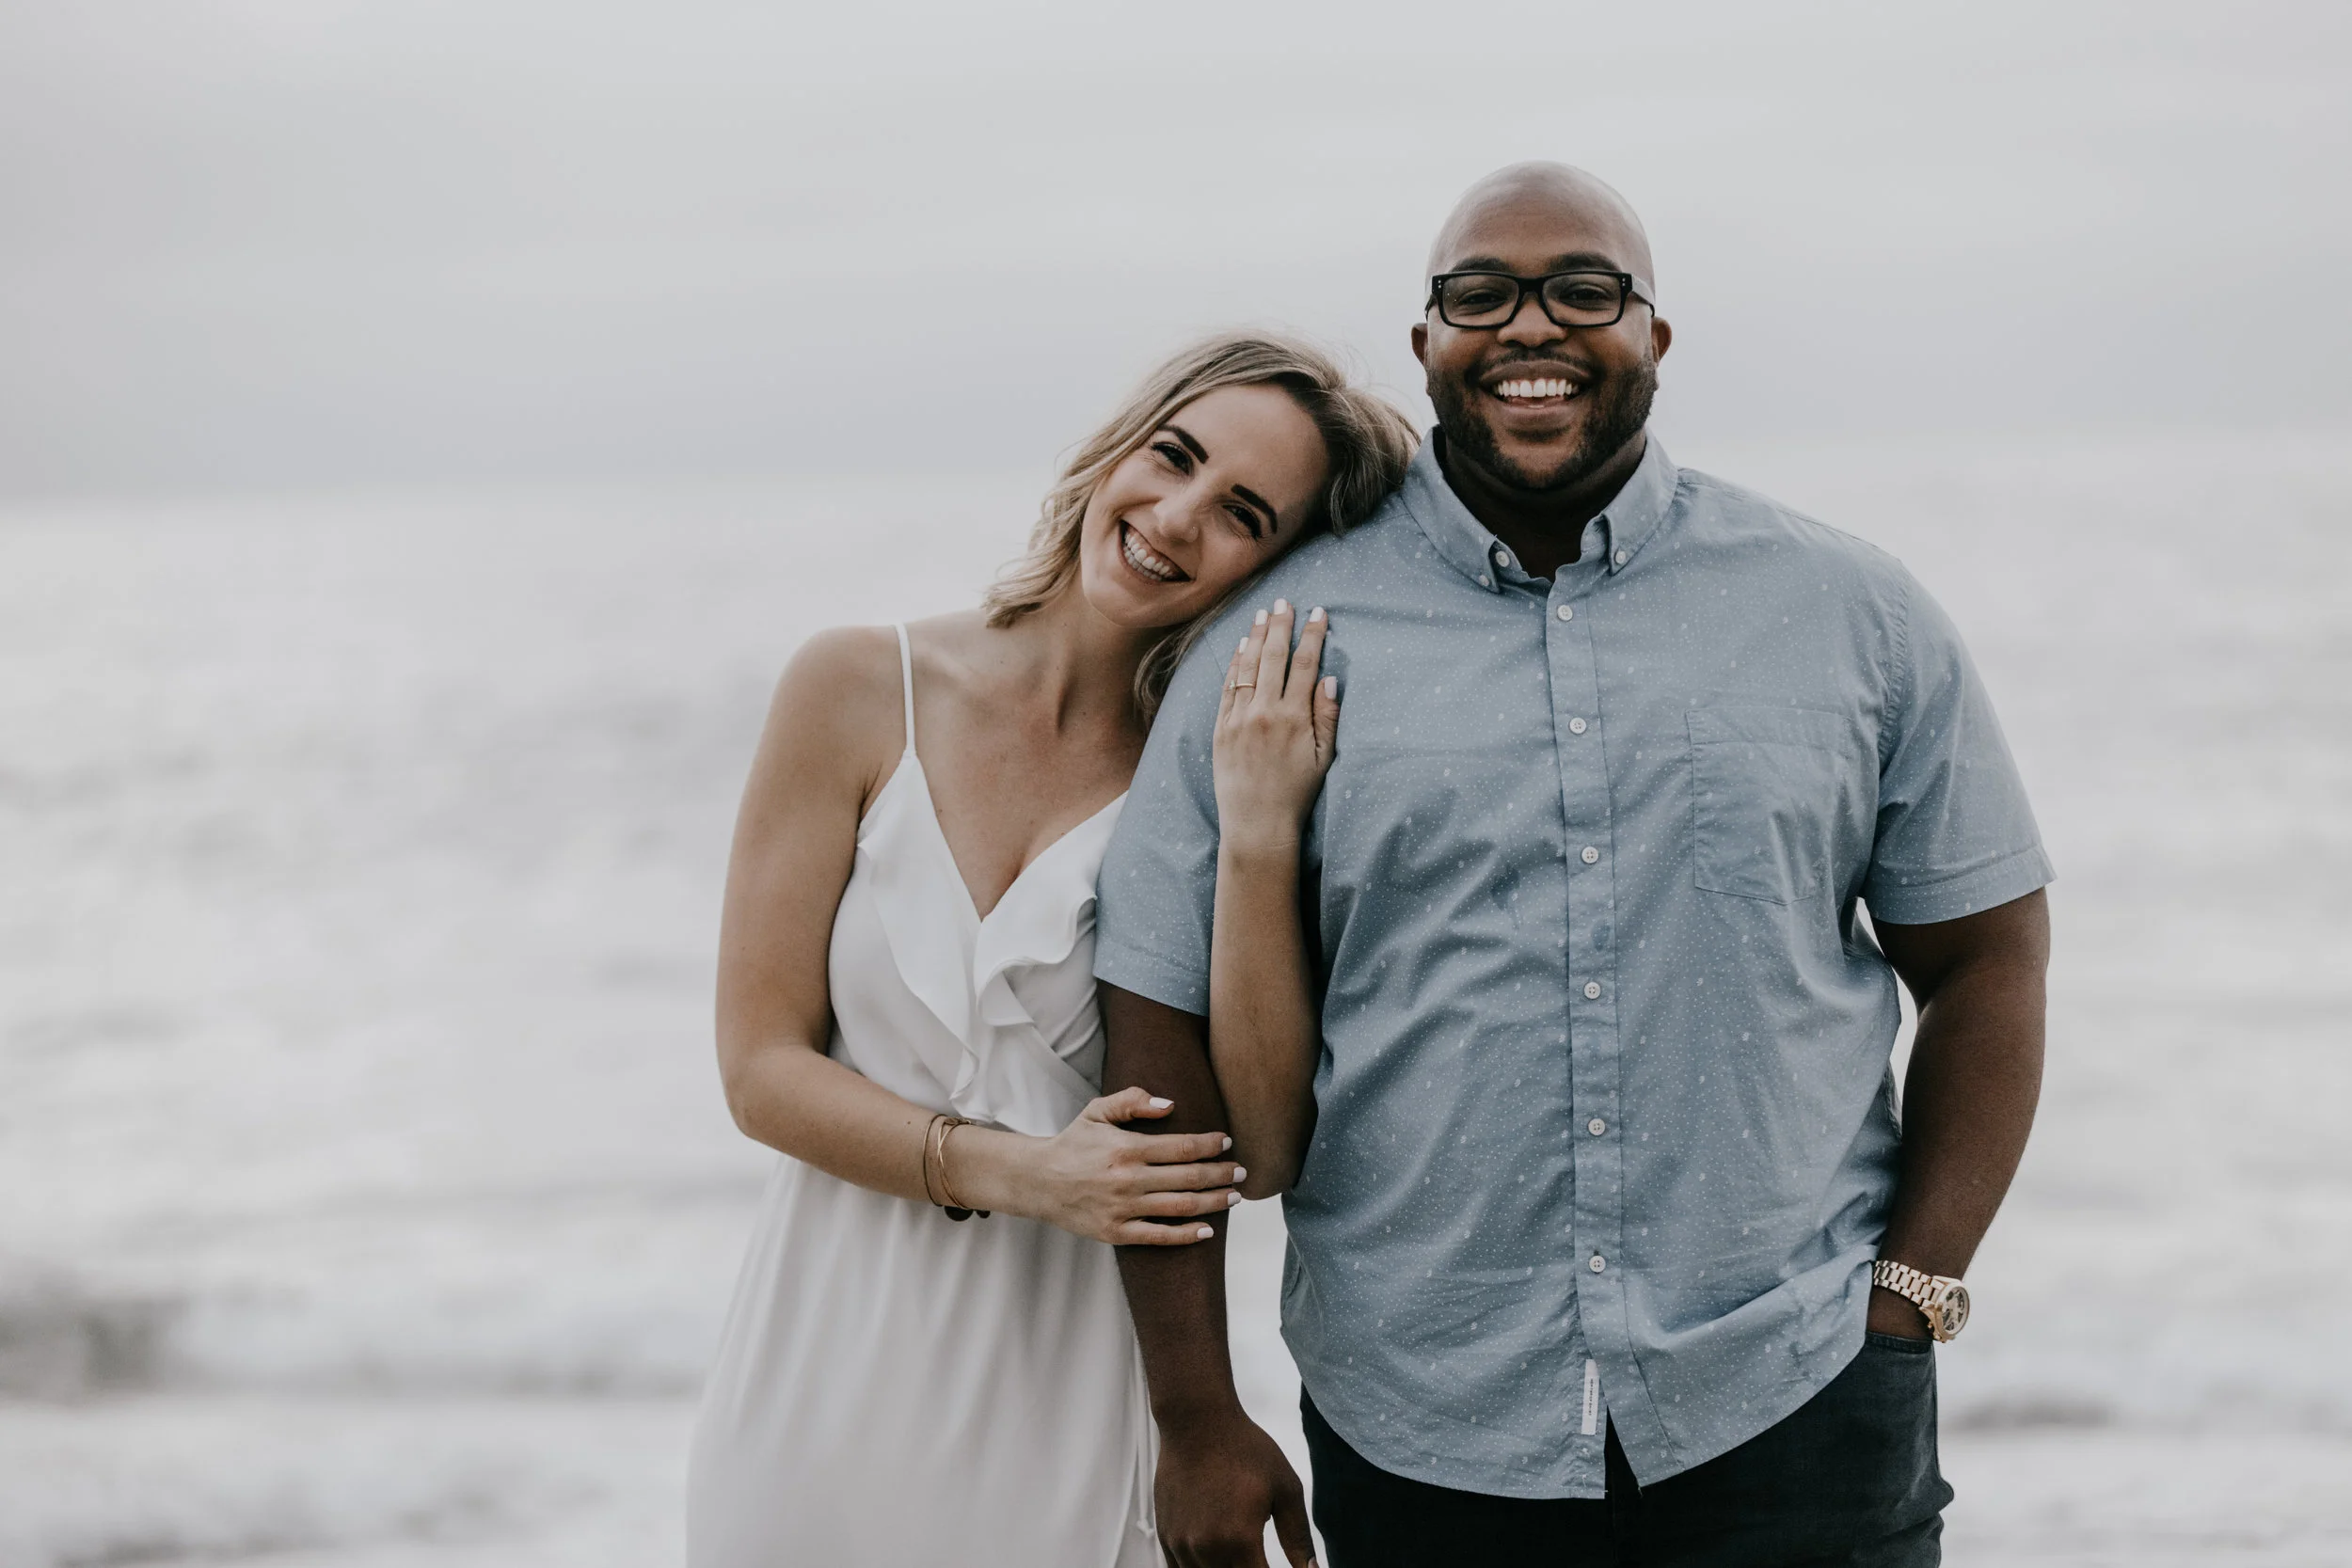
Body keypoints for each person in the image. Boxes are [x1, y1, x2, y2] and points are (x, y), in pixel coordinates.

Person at [1095, 163, 2055, 1566]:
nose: (1530, 327)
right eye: (1479, 295)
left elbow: (1988, 959)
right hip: (1417, 1421)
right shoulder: (1278, 639)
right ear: (1425, 344)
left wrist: (1912, 1294)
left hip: (1795, 1398)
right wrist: (1193, 1411)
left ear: (1655, 335)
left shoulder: (1855, 613)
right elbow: (1157, 1022)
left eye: (1584, 290)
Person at [685, 333, 1417, 1568]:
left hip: (1072, 1408)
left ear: (1278, 569)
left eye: (1241, 512)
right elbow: (759, 1068)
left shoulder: (1214, 783)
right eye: (1173, 457)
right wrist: (1029, 1173)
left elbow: (1266, 1140)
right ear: (1117, 448)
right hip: (813, 1385)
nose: (1176, 517)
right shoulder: (858, 685)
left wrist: (1256, 832)